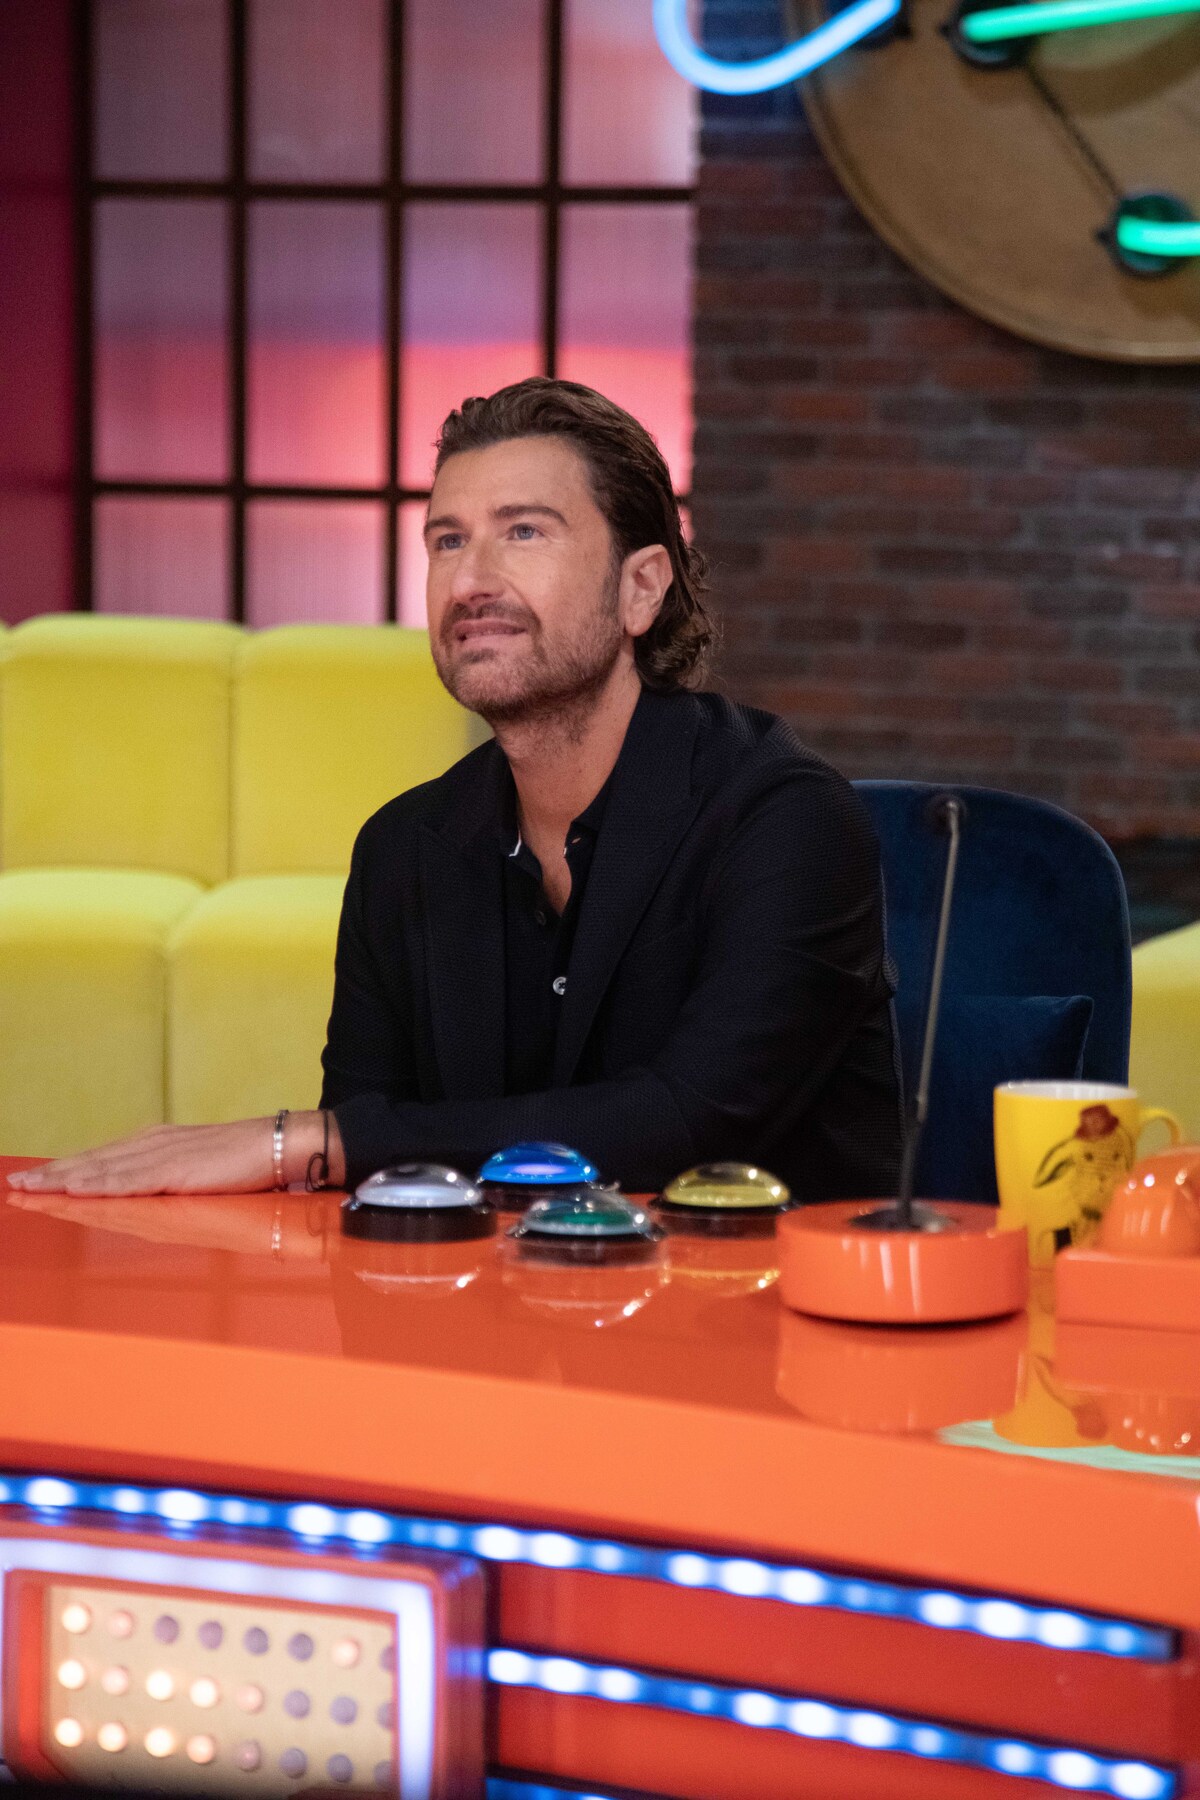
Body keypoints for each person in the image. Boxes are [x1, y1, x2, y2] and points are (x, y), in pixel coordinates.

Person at [9, 378, 902, 1201]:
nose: (471, 582)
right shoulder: (403, 850)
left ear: (640, 590)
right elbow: (374, 1174)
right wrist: (340, 1147)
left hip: (759, 1310)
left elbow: (694, 1123)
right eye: (447, 541)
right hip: (482, 1311)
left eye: (524, 532)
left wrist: (312, 1143)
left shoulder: (786, 819)